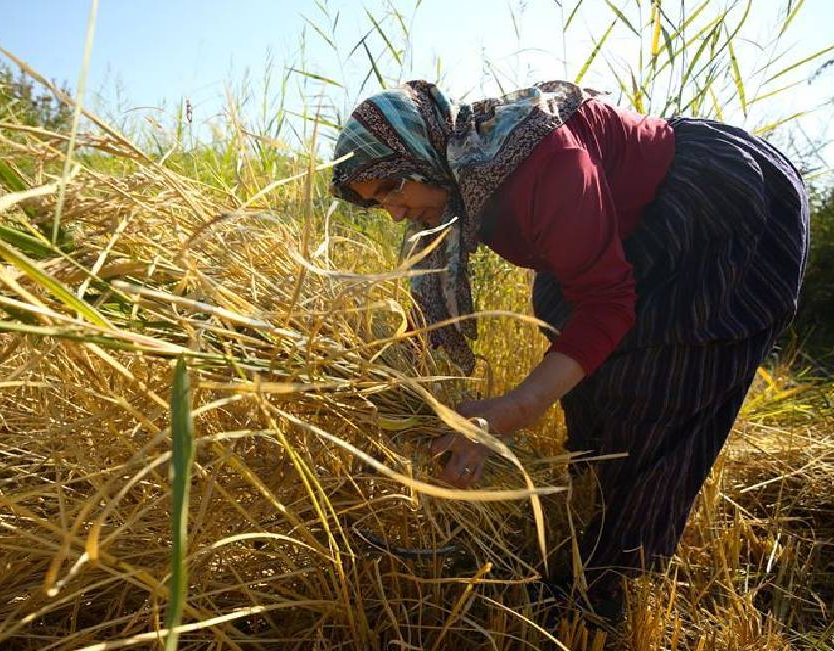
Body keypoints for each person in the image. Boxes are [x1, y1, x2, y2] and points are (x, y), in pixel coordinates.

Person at [329, 80, 809, 618]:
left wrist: (511, 411)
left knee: (659, 394)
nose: (395, 211)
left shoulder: (539, 164)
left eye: (393, 186)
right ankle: (585, 541)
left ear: (420, 151)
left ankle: (608, 598)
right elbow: (437, 323)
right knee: (582, 367)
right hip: (625, 225)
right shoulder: (470, 179)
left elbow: (606, 304)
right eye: (377, 204)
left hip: (716, 205)